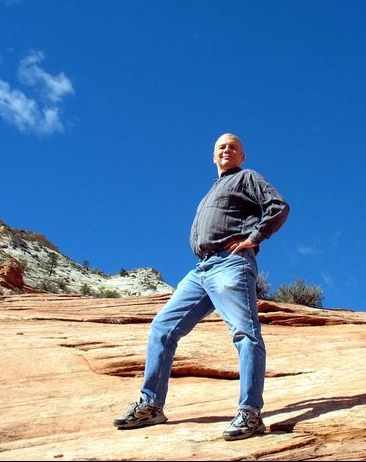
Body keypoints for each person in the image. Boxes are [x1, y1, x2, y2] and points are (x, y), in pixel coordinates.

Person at [113, 133, 290, 441]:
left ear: (242, 156)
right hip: (201, 270)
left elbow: (278, 206)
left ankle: (250, 413)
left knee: (245, 333)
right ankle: (151, 405)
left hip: (231, 263)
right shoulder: (212, 190)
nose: (227, 150)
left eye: (233, 147)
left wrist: (255, 237)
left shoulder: (247, 177)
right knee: (162, 328)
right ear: (213, 155)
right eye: (221, 146)